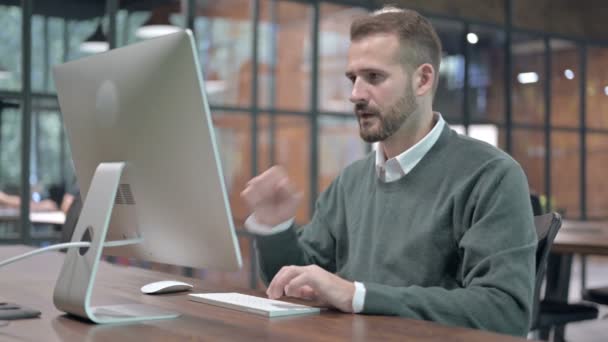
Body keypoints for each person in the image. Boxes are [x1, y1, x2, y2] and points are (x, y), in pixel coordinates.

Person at [240, 6, 536, 337]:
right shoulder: (351, 180)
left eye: (374, 77)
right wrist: (275, 226)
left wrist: (357, 296)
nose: (355, 95)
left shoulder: (491, 176)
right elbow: (294, 284)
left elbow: (505, 312)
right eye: (353, 78)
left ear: (423, 79)